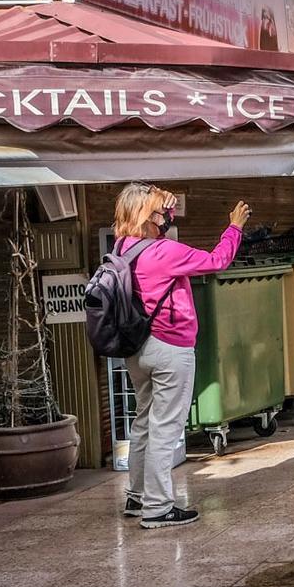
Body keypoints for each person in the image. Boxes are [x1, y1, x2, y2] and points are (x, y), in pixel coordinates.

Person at [110, 183, 251, 528]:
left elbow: (157, 232)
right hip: (170, 348)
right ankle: (158, 508)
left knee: (144, 422)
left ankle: (137, 496)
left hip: (137, 349)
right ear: (147, 217)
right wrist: (234, 227)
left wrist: (167, 207)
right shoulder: (163, 252)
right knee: (165, 428)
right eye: (160, 213)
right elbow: (217, 261)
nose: (165, 218)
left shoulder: (123, 248)